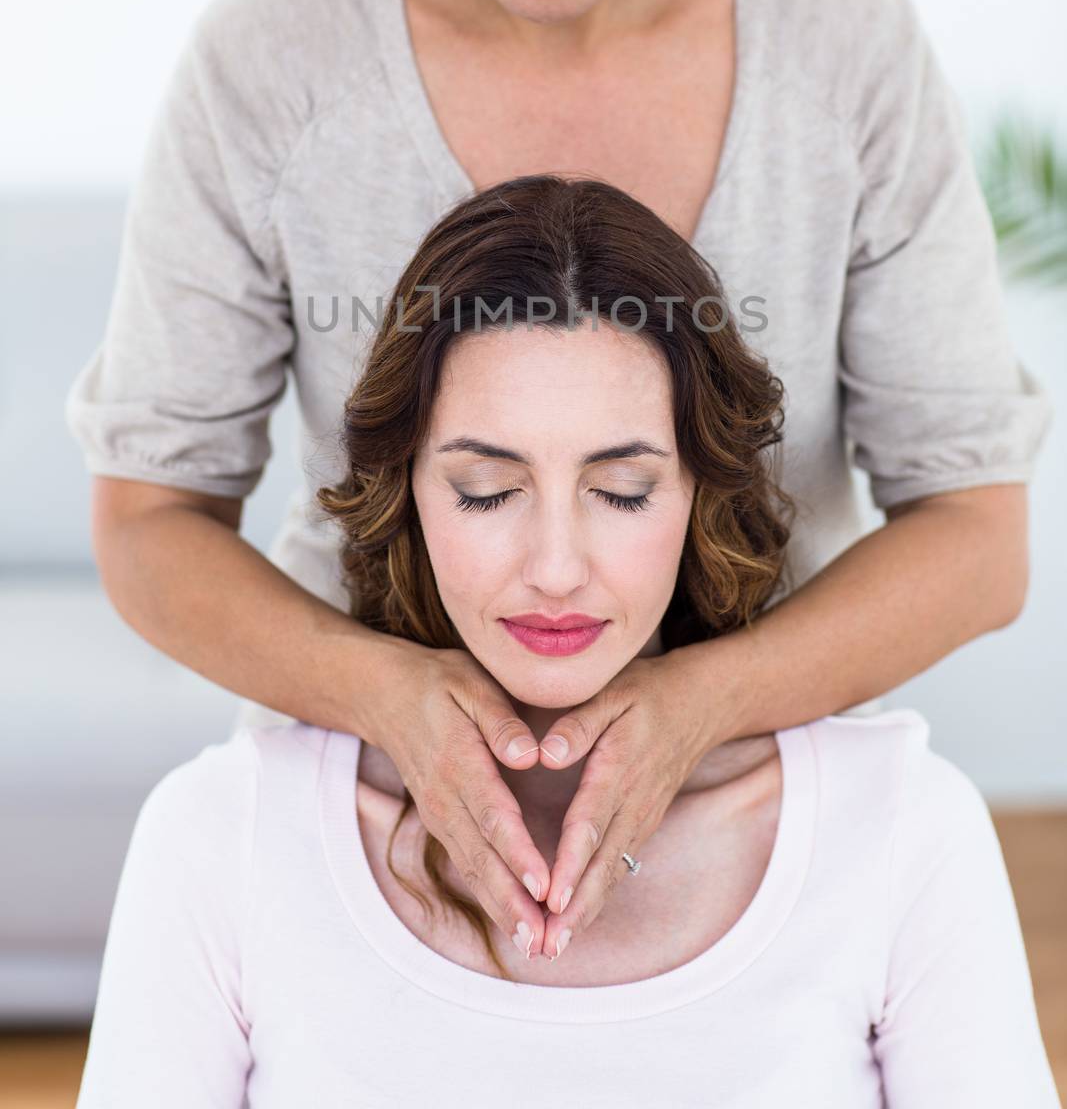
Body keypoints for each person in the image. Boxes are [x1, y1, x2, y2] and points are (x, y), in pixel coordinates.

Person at [66, 0, 1053, 956]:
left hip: (755, 815)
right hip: (368, 824)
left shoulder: (843, 54)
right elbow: (151, 521)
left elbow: (973, 533)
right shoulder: (269, 61)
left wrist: (697, 706)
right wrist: (389, 697)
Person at [73, 177, 1059, 1107]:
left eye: (621, 490)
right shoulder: (219, 838)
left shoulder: (899, 830)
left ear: (693, 494)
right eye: (486, 489)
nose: (554, 565)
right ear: (406, 490)